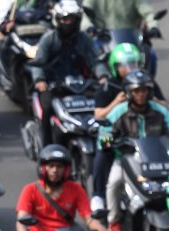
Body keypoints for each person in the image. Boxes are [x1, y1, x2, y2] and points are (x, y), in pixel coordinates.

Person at [101, 69, 169, 231]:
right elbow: (105, 132)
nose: (141, 94)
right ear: (129, 92)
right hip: (128, 159)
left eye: (144, 90)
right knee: (114, 183)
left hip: (159, 158)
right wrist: (108, 140)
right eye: (136, 91)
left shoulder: (160, 111)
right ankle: (114, 220)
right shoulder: (119, 112)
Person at [90, 43, 166, 211]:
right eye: (124, 65)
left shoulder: (147, 83)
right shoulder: (108, 87)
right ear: (114, 67)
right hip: (119, 138)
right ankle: (98, 196)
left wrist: (148, 99)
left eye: (133, 64)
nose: (130, 69)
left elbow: (164, 107)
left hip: (144, 138)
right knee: (103, 159)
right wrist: (116, 102)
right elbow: (98, 114)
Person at [30, 0, 109, 147]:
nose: (67, 23)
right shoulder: (49, 39)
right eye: (64, 19)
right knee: (46, 108)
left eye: (71, 19)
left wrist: (103, 76)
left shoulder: (84, 39)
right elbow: (38, 62)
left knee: (106, 105)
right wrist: (40, 80)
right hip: (54, 86)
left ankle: (107, 143)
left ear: (77, 20)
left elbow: (96, 61)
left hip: (81, 85)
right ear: (58, 20)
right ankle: (47, 147)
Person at [82, 0, 161, 75]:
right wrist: (89, 27)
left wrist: (153, 26)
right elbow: (84, 15)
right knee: (91, 61)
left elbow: (148, 13)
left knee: (150, 54)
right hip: (102, 41)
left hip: (129, 42)